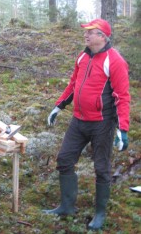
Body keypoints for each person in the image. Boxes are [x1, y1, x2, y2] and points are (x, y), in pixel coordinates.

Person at [43, 18, 130, 231]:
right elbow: (73, 84)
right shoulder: (82, 56)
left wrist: (122, 129)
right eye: (86, 32)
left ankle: (100, 214)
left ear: (102, 36)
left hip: (102, 124)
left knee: (101, 168)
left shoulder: (115, 61)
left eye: (90, 32)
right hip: (79, 121)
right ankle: (66, 206)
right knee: (64, 159)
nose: (86, 35)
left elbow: (122, 97)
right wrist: (58, 106)